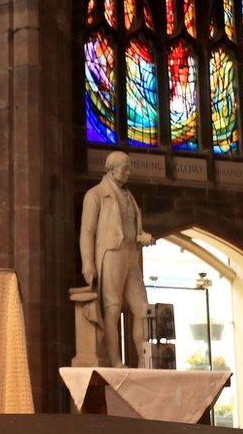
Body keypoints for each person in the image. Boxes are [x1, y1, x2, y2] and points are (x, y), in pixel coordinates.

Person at [78, 151, 153, 368]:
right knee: (112, 309)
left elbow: (130, 227)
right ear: (111, 169)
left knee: (142, 308)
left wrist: (141, 237)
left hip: (131, 255)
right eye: (125, 168)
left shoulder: (129, 196)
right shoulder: (96, 194)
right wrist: (88, 263)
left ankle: (144, 361)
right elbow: (87, 231)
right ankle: (115, 361)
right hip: (111, 254)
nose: (129, 172)